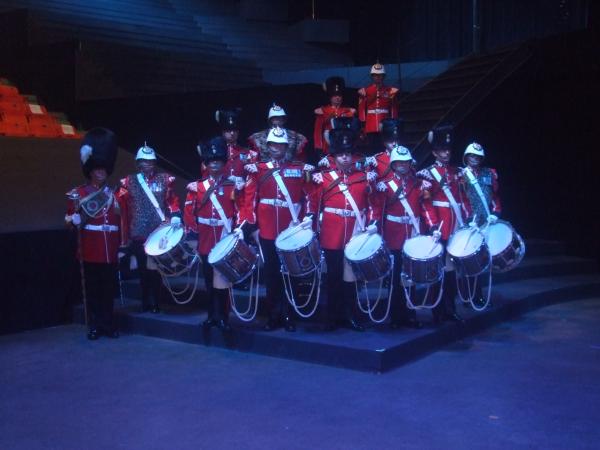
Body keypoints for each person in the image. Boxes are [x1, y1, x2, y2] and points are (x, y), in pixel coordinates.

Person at [241, 127, 315, 331]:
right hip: (266, 230)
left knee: (291, 273)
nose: (276, 148)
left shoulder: (300, 169)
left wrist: (308, 218)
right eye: (273, 144)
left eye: (280, 145)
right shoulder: (258, 169)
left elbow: (309, 196)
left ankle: (289, 315)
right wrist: (253, 228)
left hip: (290, 229)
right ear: (268, 146)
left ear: (286, 147)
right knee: (272, 274)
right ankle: (273, 315)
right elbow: (249, 200)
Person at [311, 127, 378, 332]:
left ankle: (350, 314)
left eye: (348, 154)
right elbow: (313, 204)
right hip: (332, 232)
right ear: (334, 156)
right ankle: (332, 316)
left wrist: (372, 223)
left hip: (354, 232)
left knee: (351, 277)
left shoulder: (365, 177)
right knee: (333, 275)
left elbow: (372, 204)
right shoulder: (323, 177)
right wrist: (312, 227)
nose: (345, 158)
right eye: (341, 154)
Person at [184, 137, 245, 332]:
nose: (215, 164)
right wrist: (193, 232)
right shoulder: (197, 187)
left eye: (218, 160)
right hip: (206, 238)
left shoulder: (232, 186)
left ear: (224, 162)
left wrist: (238, 229)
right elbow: (189, 211)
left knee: (224, 281)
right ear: (206, 164)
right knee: (209, 280)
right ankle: (211, 315)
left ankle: (224, 316)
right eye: (211, 161)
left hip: (223, 235)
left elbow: (239, 209)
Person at [65, 128, 121, 340]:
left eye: (103, 170)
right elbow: (68, 221)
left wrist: (120, 246)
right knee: (93, 292)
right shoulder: (78, 194)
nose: (101, 173)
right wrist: (74, 219)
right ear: (90, 171)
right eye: (97, 170)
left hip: (109, 250)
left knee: (108, 292)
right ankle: (95, 325)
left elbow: (120, 221)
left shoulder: (114, 194)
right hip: (90, 249)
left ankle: (108, 324)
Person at [372, 145, 432, 329]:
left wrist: (432, 226)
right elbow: (377, 210)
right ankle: (395, 315)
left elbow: (425, 208)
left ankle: (411, 314)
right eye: (399, 162)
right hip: (393, 234)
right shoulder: (385, 185)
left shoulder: (417, 183)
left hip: (412, 233)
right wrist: (375, 228)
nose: (403, 165)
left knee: (411, 277)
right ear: (393, 164)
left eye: (406, 162)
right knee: (395, 278)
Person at [117, 143, 181, 313]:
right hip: (138, 232)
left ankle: (156, 300)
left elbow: (172, 201)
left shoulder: (165, 180)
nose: (148, 164)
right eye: (144, 161)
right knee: (143, 269)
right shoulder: (128, 182)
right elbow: (121, 207)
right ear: (138, 163)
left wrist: (175, 215)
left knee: (157, 270)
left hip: (159, 231)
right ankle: (146, 299)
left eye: (151, 161)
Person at [417, 125, 468, 324]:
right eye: (442, 150)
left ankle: (450, 308)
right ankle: (437, 310)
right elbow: (426, 204)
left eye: (448, 150)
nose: (446, 153)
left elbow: (463, 199)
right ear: (434, 152)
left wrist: (467, 219)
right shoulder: (427, 174)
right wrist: (432, 226)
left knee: (452, 272)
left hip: (456, 227)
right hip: (439, 228)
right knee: (438, 273)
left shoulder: (458, 173)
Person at [202, 108, 257, 181]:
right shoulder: (214, 152)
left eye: (235, 130)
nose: (232, 133)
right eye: (228, 130)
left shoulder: (247, 152)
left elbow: (253, 177)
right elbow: (206, 177)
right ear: (222, 132)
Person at [357, 63, 400, 155]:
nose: (378, 77)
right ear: (372, 76)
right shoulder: (365, 91)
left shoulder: (390, 91)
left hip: (385, 124)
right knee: (372, 149)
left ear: (383, 76)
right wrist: (363, 125)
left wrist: (393, 123)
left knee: (385, 148)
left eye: (380, 75)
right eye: (375, 75)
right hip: (370, 125)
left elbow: (393, 108)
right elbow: (362, 109)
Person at [313, 76, 356, 159]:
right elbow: (317, 131)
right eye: (334, 95)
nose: (337, 98)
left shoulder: (348, 110)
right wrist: (318, 146)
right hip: (328, 141)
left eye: (339, 95)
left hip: (344, 140)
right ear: (330, 97)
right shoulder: (323, 110)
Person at [461, 142, 501, 226]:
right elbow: (461, 199)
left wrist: (495, 213)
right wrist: (468, 218)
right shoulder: (460, 174)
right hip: (470, 220)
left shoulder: (489, 173)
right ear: (466, 157)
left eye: (478, 156)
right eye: (472, 155)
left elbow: (494, 196)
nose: (475, 158)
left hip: (488, 218)